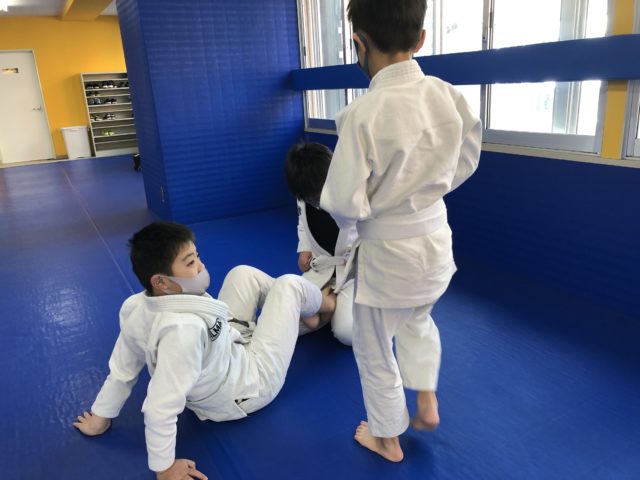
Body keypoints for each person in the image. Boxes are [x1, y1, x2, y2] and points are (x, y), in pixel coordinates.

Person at [319, 0, 482, 462]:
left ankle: (387, 438)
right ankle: (426, 398)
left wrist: (355, 232)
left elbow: (342, 201)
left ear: (358, 42)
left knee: (373, 346)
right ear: (421, 39)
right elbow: (467, 159)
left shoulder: (363, 113)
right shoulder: (448, 96)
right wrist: (425, 193)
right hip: (435, 243)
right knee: (418, 319)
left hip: (388, 255)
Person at [73, 221, 335, 480]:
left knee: (242, 273)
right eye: (190, 263)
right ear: (161, 281)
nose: (200, 266)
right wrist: (164, 468)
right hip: (250, 384)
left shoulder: (137, 306)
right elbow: (159, 407)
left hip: (228, 346)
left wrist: (101, 416)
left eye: (197, 256)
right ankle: (328, 305)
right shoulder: (182, 332)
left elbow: (122, 369)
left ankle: (307, 312)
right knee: (290, 285)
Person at [284, 141, 358, 345]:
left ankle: (329, 306)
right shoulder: (304, 194)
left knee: (347, 333)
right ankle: (329, 306)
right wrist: (305, 248)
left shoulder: (356, 193)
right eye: (311, 198)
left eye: (320, 194)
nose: (318, 201)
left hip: (354, 272)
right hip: (322, 268)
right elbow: (302, 222)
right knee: (287, 320)